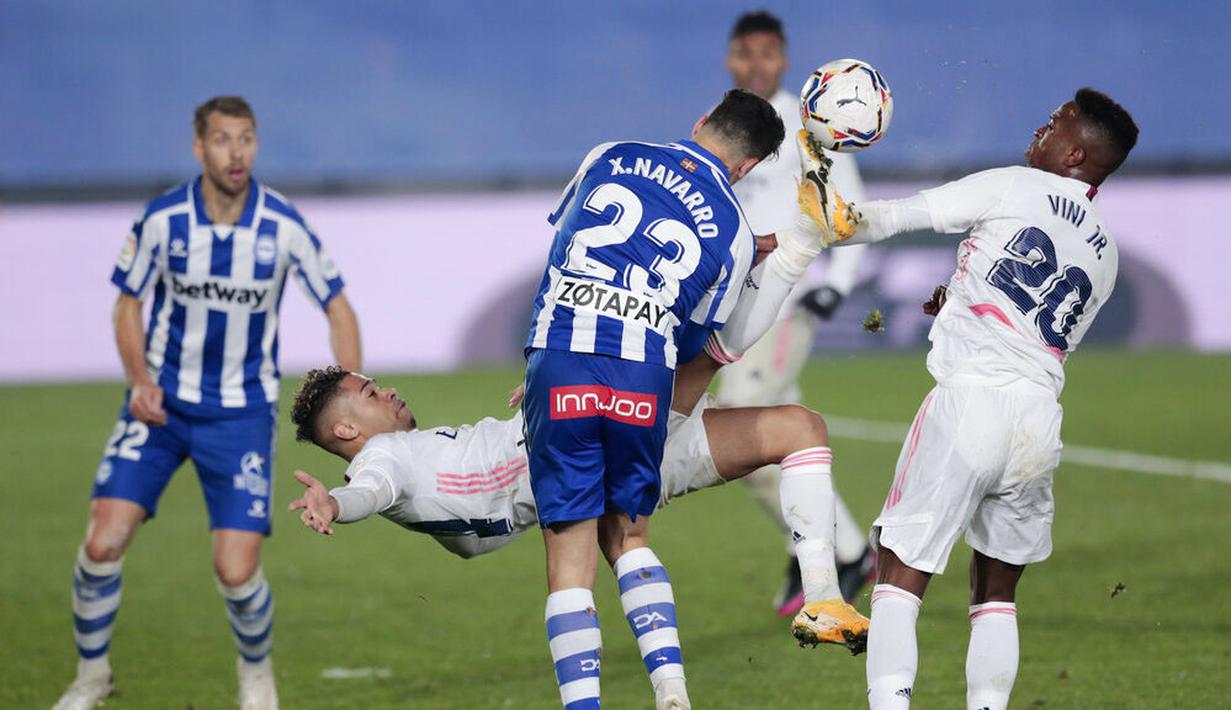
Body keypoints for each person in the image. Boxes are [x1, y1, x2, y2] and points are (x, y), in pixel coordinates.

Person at [815, 89, 1138, 709]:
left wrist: (826, 218)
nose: (1041, 126)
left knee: (899, 571)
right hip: (1038, 423)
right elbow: (1038, 325)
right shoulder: (1107, 251)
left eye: (1055, 122)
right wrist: (957, 301)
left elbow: (893, 217)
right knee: (994, 594)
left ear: (1074, 152)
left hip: (972, 404)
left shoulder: (1015, 184)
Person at [53, 96, 362, 710]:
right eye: (222, 140)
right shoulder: (163, 219)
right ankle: (91, 676)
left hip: (241, 416)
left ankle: (256, 675)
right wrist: (139, 377)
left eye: (246, 139)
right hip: (161, 409)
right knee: (103, 542)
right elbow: (127, 303)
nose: (236, 152)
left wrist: (349, 388)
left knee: (236, 570)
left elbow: (338, 306)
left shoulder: (284, 225)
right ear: (199, 148)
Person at [719, 9, 877, 616]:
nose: (755, 63)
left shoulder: (810, 123)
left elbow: (850, 205)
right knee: (771, 441)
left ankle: (839, 548)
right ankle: (825, 544)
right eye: (743, 52)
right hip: (729, 303)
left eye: (766, 52)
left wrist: (835, 283)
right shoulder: (724, 122)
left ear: (783, 59)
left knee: (745, 429)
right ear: (730, 59)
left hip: (783, 300)